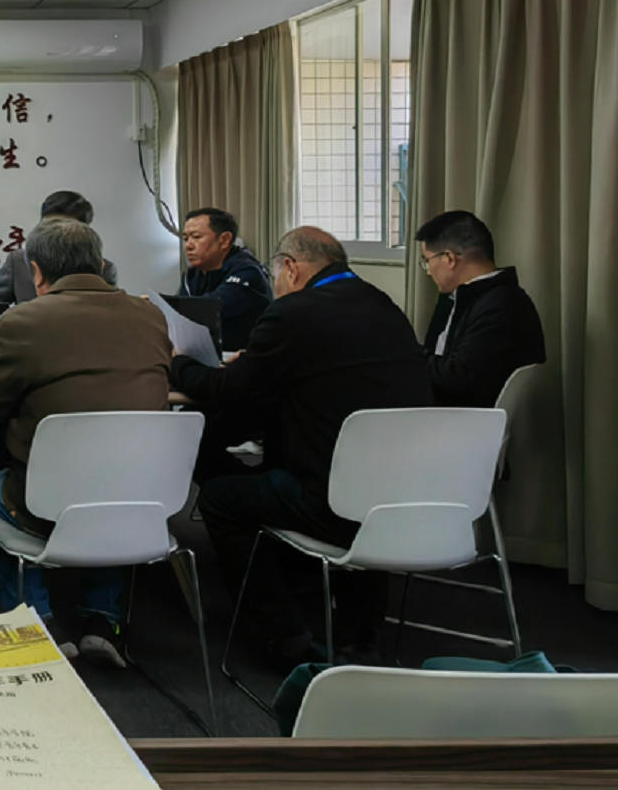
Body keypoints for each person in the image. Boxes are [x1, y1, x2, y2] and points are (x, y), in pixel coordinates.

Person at [173, 227, 433, 668]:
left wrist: (178, 363)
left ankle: (283, 636)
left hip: (330, 502)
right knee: (292, 458)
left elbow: (228, 390)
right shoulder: (384, 305)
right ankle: (360, 635)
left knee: (220, 498)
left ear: (291, 268)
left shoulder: (293, 312)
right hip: (402, 492)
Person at [0, 219, 171, 665]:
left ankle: (37, 622)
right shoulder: (151, 317)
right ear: (100, 264)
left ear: (36, 271)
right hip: (138, 502)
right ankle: (103, 620)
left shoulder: (21, 321)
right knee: (110, 481)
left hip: (46, 505)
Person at [415, 210, 546, 407]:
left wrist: (402, 356)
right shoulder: (465, 297)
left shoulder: (502, 306)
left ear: (449, 259)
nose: (428, 272)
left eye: (427, 261)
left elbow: (460, 379)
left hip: (466, 416)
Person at [0, 190, 117, 303]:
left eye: (67, 227)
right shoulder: (18, 261)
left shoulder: (103, 269)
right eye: (51, 225)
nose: (56, 233)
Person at [179, 207, 272, 351]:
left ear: (224, 240)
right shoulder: (192, 276)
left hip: (244, 357)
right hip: (205, 355)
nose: (188, 245)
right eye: (186, 239)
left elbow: (211, 308)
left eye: (196, 237)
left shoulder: (248, 271)